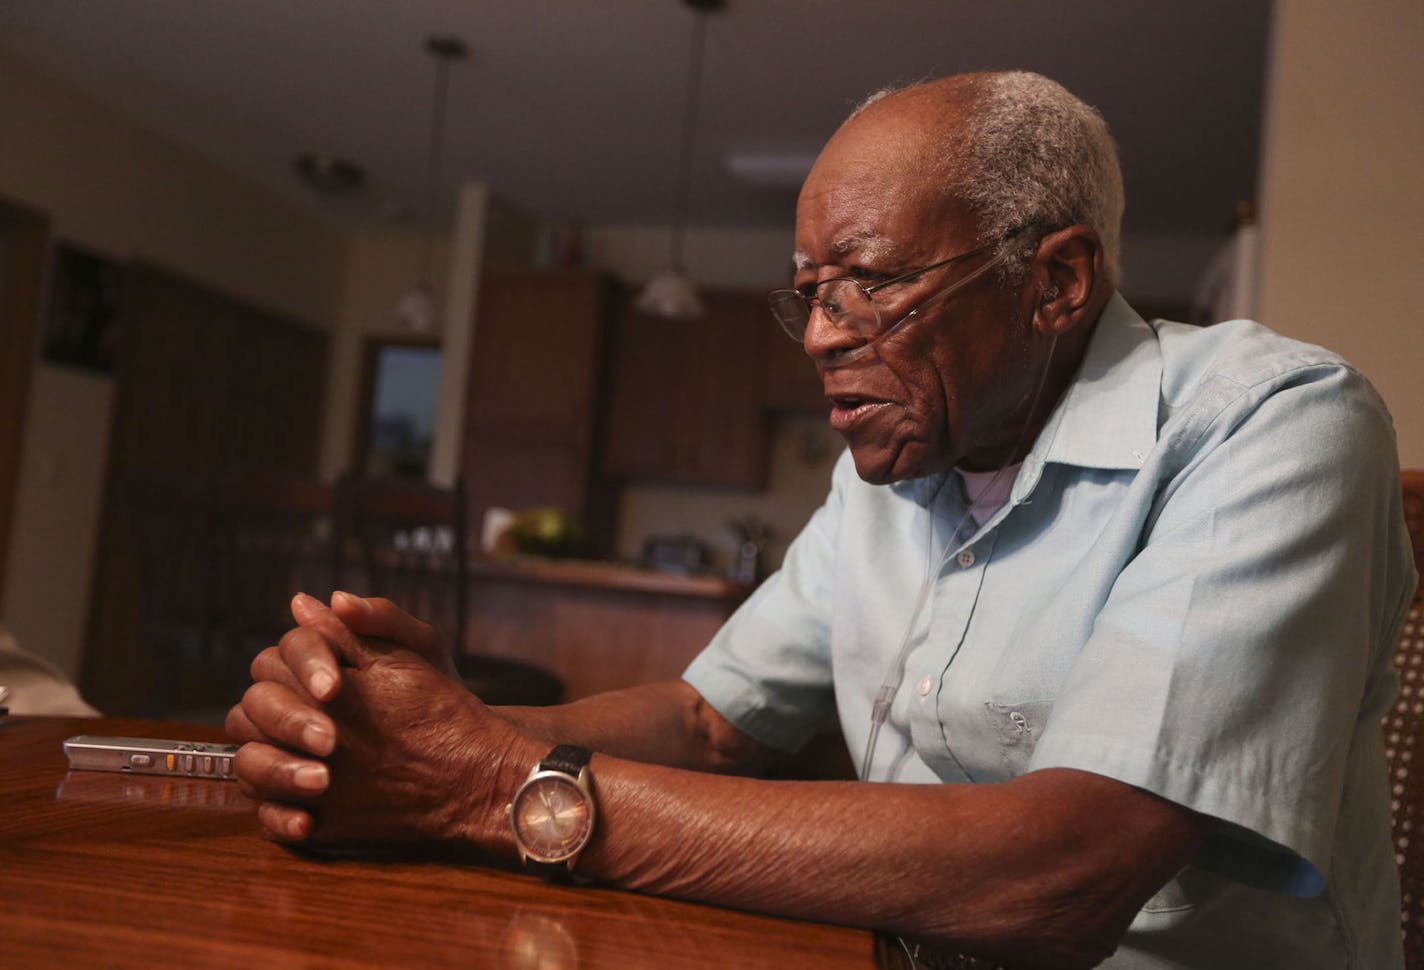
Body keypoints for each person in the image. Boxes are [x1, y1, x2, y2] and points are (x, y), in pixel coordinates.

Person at [227, 72, 1416, 969]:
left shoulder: (1271, 424)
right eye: (809, 296)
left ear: (1053, 281)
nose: (827, 335)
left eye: (873, 283)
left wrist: (490, 786)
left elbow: (1064, 871)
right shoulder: (885, 472)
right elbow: (709, 722)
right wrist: (422, 732)